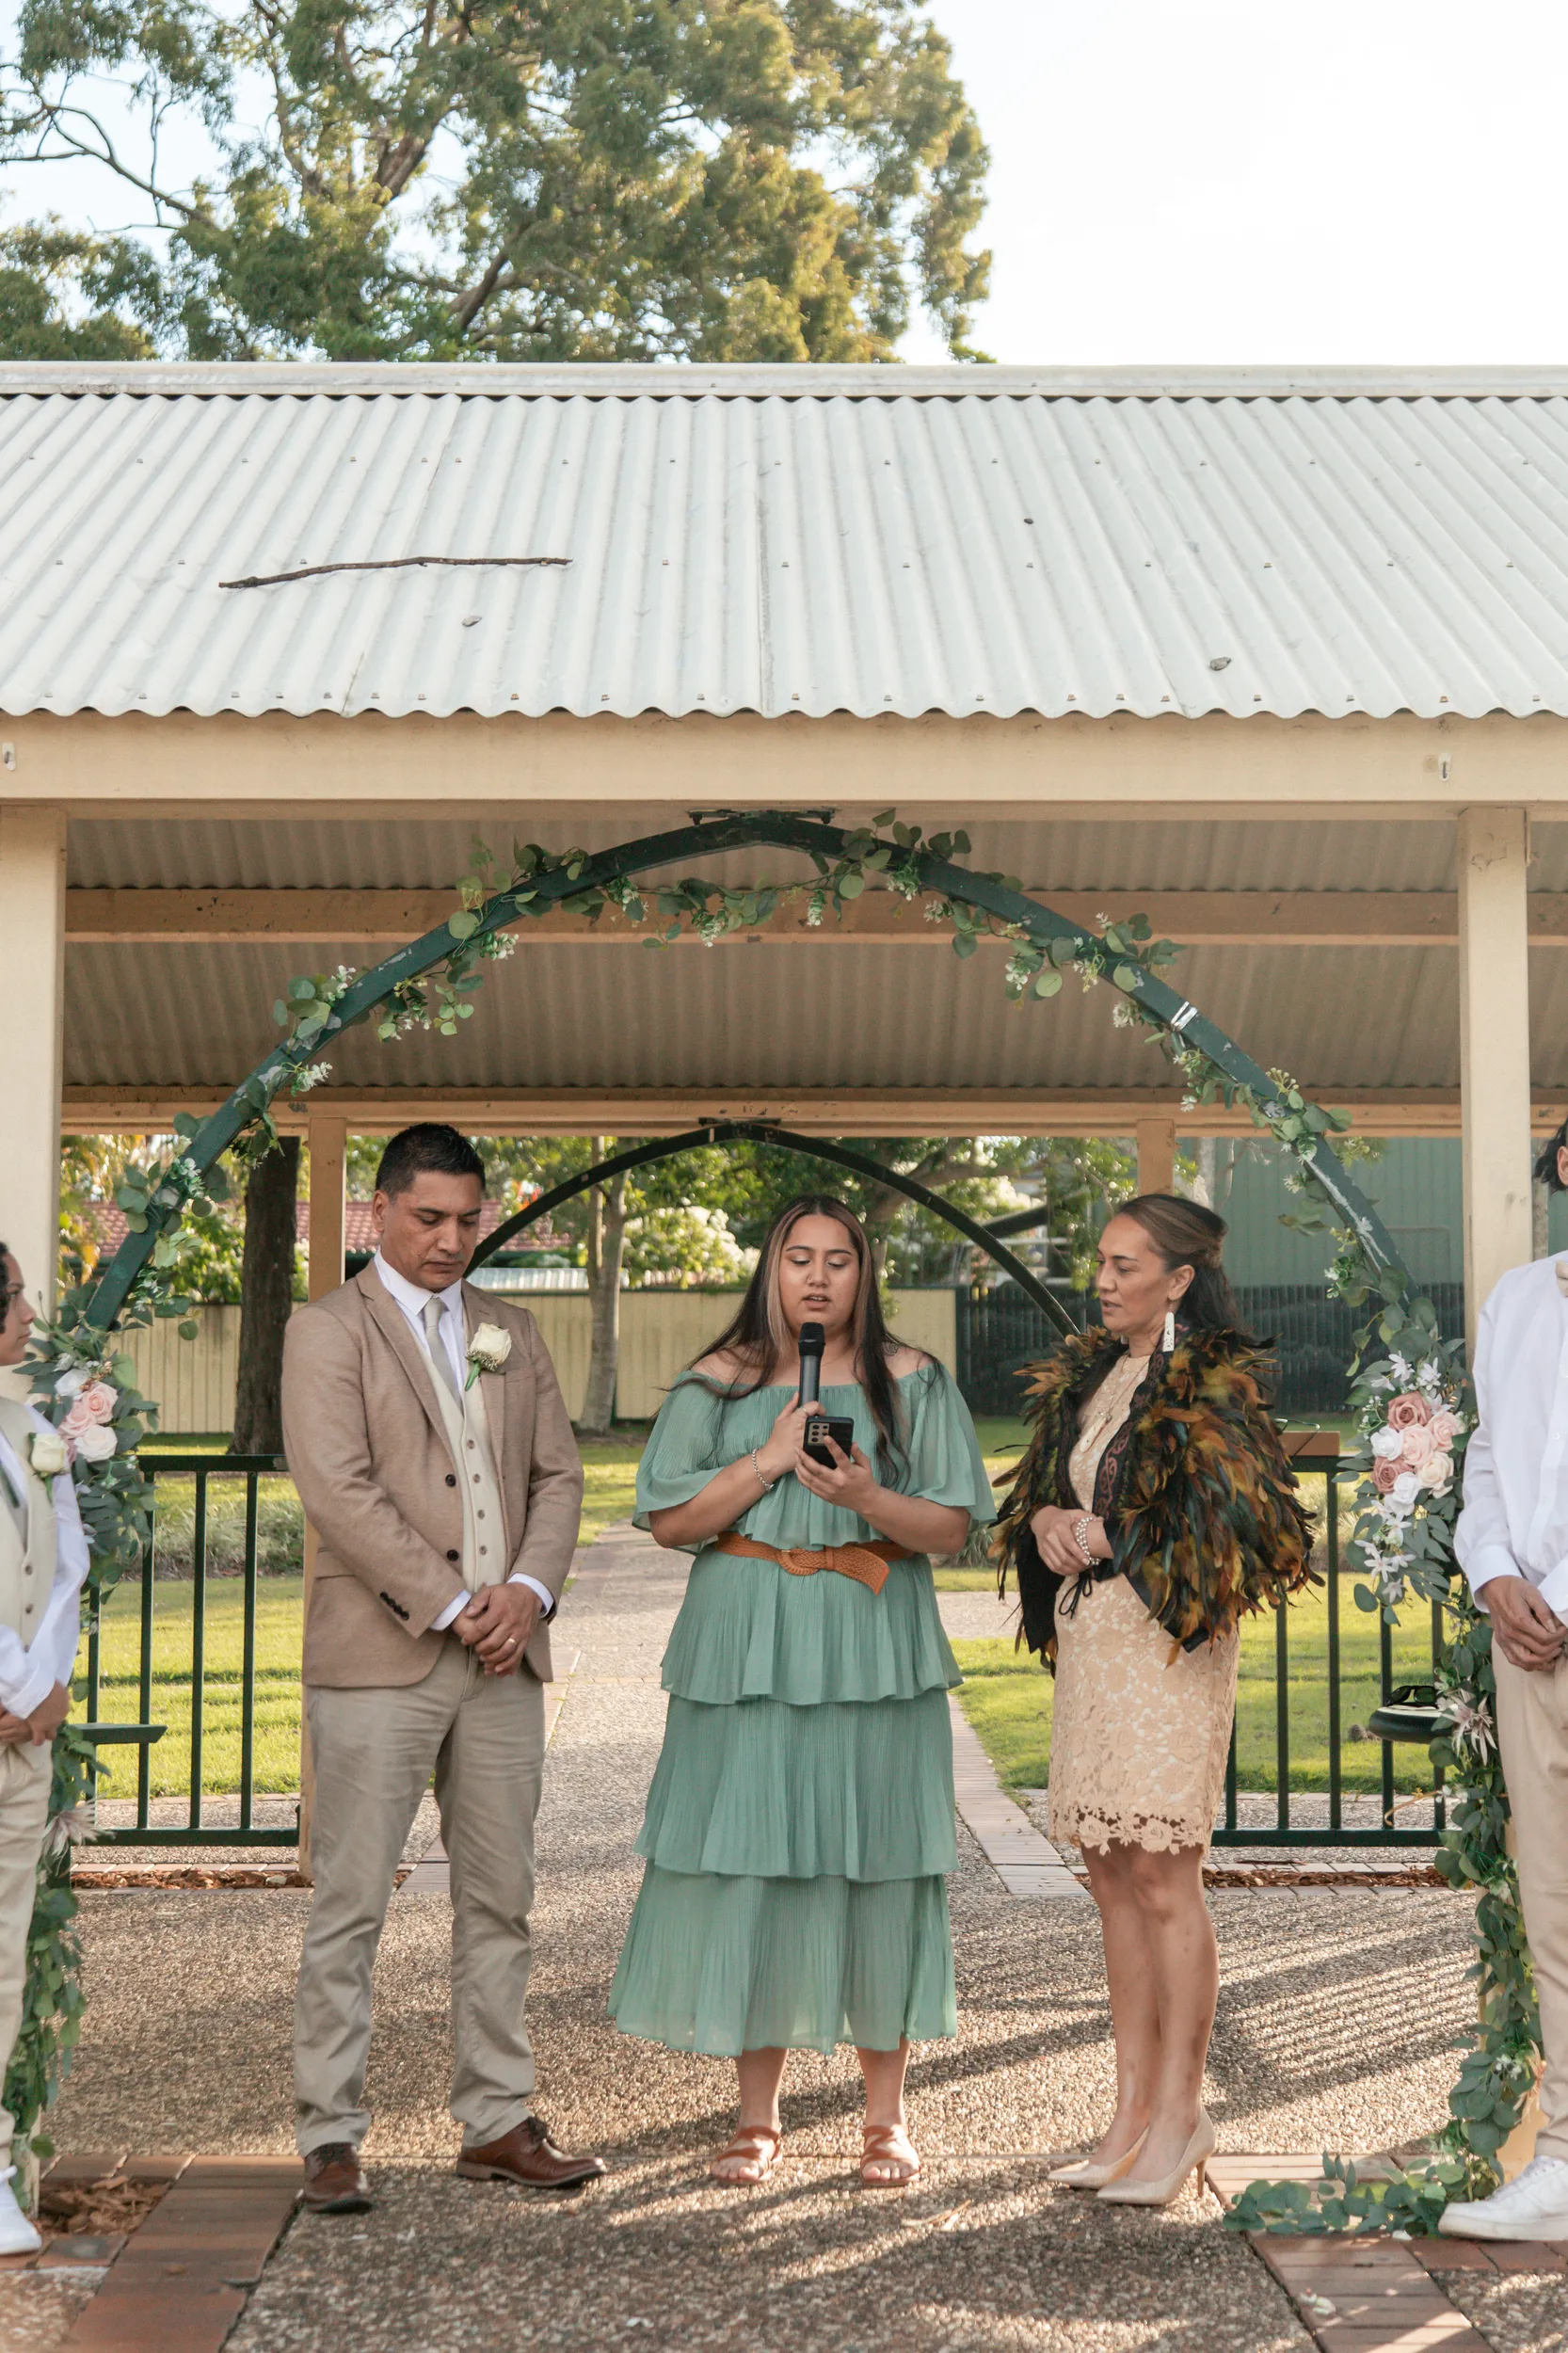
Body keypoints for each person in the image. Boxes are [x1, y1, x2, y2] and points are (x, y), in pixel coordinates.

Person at [609, 1195, 994, 2187]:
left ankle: (884, 2118)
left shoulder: (914, 1383)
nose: (817, 1278)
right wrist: (767, 1458)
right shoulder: (717, 1382)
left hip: (871, 1642)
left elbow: (951, 1528)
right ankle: (754, 2117)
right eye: (796, 1258)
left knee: (877, 1860)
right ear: (768, 1271)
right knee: (756, 1858)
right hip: (744, 1646)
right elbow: (667, 1519)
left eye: (838, 1260)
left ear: (866, 1275)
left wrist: (866, 1496)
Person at [280, 1124, 603, 2212]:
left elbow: (559, 1478)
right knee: (352, 1902)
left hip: (507, 1660)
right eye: (429, 1218)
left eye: (468, 1218)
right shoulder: (327, 1329)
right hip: (381, 1658)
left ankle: (499, 2118)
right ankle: (329, 2134)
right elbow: (339, 1490)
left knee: (502, 1897)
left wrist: (529, 1593)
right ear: (379, 1212)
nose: (451, 1238)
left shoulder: (512, 1328)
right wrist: (460, 1602)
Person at [995, 1194, 1312, 2209]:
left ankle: (1181, 2113)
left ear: (1177, 1280)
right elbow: (1052, 1490)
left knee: (1165, 1878)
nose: (1103, 1278)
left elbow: (1235, 1524)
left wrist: (1106, 1535)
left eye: (1126, 1265)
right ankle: (1128, 2113)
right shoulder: (1094, 1373)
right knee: (1110, 1875)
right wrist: (1048, 1513)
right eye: (1101, 1260)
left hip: (1169, 1649)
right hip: (1095, 1648)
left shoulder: (1216, 1381)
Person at [1440, 1115, 1568, 2242]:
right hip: (1525, 1642)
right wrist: (1489, 1572)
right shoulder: (1517, 1297)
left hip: (1559, 1614)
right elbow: (1485, 1452)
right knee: (1555, 1906)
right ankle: (1566, 2162)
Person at [0, 1247, 84, 2255]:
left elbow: (61, 1569)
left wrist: (43, 1689)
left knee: (4, 1950)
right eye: (13, 1296)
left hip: (22, 1741)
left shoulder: (29, 1431)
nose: (28, 1311)